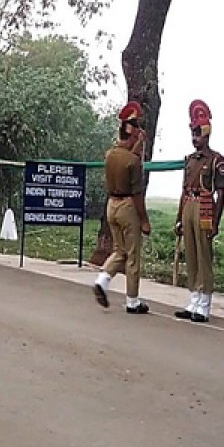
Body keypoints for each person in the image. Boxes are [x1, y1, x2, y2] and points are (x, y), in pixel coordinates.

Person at [93, 102, 151, 312]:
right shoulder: (133, 161)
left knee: (119, 250)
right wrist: (144, 220)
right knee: (133, 255)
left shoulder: (110, 155)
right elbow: (136, 195)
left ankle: (102, 279)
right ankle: (132, 301)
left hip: (111, 205)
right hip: (127, 206)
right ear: (133, 134)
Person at [173, 100, 224, 323]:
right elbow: (184, 191)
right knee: (191, 255)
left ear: (206, 134)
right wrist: (179, 218)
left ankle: (204, 302)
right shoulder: (190, 160)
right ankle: (193, 298)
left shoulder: (216, 160)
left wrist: (216, 221)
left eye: (198, 133)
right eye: (193, 133)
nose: (195, 138)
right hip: (189, 206)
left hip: (205, 208)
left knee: (204, 256)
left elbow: (221, 193)